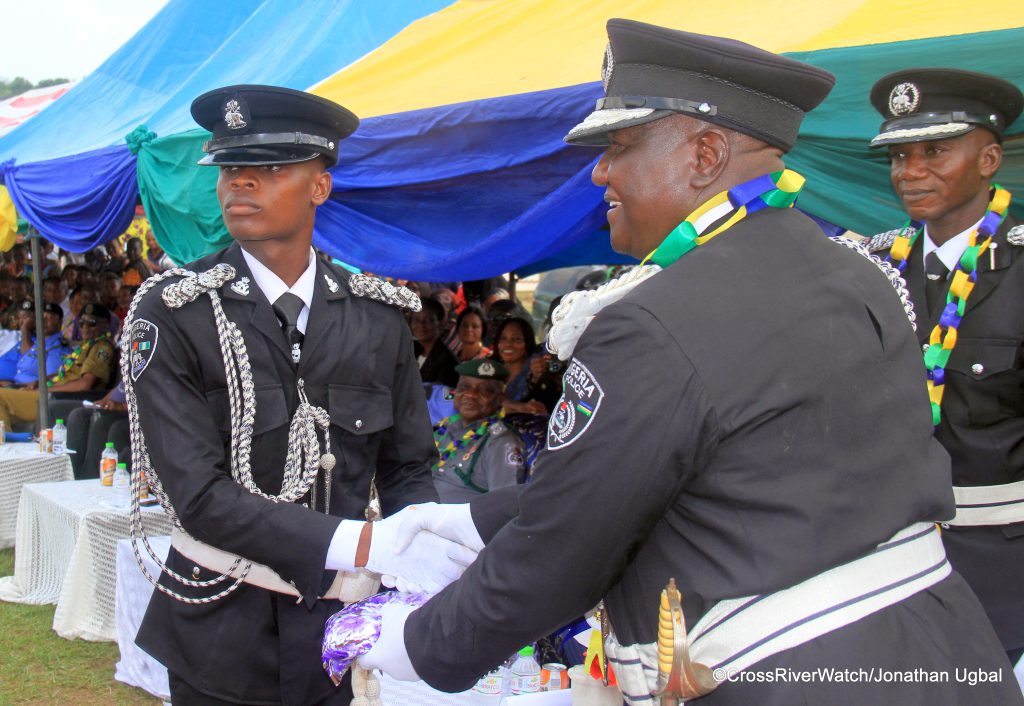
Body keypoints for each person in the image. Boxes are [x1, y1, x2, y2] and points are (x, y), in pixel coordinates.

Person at [357, 20, 1021, 705]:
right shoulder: (855, 272)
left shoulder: (652, 320)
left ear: (705, 155)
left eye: (618, 146)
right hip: (942, 653)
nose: (599, 171)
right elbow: (724, 470)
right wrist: (471, 522)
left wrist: (418, 644)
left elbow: (568, 545)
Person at [128, 85, 473, 706]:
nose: (241, 184)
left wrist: (413, 569)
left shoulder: (375, 315)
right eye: (231, 169)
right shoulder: (174, 313)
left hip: (337, 631)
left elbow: (407, 467)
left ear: (320, 186)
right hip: (219, 629)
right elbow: (198, 494)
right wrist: (366, 545)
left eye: (271, 169)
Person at [865, 68, 1024, 666]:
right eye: (900, 155)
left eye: (935, 150)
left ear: (988, 160)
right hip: (891, 573)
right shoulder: (872, 271)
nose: (910, 171)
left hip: (1007, 576)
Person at [0, 302, 115, 429]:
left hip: (59, 398)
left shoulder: (102, 348)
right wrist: (41, 381)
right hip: (50, 392)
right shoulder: (85, 345)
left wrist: (44, 390)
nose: (85, 327)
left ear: (106, 325)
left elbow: (84, 384)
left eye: (92, 322)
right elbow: (67, 373)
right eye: (81, 323)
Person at [432, 358, 524, 502]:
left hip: (456, 523)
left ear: (500, 399)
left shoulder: (501, 443)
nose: (471, 394)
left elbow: (504, 505)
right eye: (464, 387)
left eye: (484, 390)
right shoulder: (443, 429)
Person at [492, 316, 559, 415]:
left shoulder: (539, 372)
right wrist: (520, 407)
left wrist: (537, 378)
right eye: (503, 338)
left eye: (517, 339)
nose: (508, 344)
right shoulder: (490, 371)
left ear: (527, 343)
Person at [0, 301, 68, 385]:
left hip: (31, 392)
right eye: (42, 318)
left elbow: (52, 380)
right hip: (16, 386)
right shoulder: (37, 342)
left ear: (60, 322)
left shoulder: (58, 347)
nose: (44, 321)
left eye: (50, 318)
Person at [410, 296, 459, 387]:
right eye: (416, 319)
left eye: (428, 320)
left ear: (440, 323)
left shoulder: (447, 362)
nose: (421, 325)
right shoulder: (410, 350)